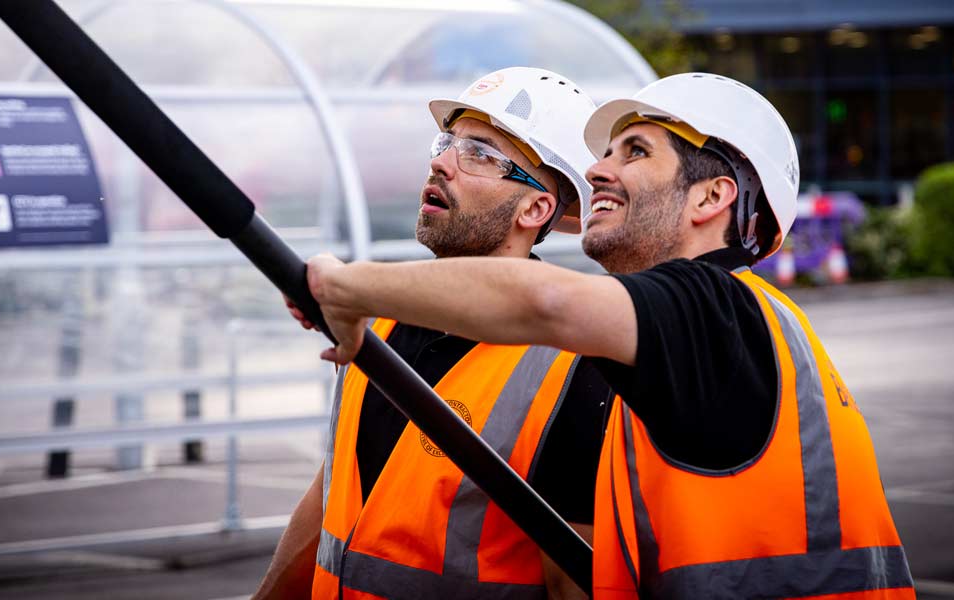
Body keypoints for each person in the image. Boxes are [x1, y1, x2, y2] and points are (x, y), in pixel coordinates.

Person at [292, 73, 915, 599]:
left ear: (712, 196)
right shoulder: (675, 344)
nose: (594, 170)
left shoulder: (716, 312)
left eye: (634, 152)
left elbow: (550, 302)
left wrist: (349, 287)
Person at [255, 66, 613, 600]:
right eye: (448, 142)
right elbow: (335, 489)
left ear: (535, 207)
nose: (440, 161)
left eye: (480, 154)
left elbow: (573, 581)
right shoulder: (375, 317)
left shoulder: (572, 369)